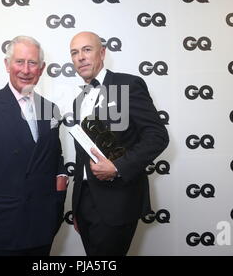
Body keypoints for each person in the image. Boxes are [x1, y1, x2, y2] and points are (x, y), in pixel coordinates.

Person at [0, 36, 68, 256]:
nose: (26, 70)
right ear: (7, 65)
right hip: (1, 225)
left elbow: (54, 157)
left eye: (33, 63)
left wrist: (59, 190)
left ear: (42, 68)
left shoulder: (51, 109)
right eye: (19, 62)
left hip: (42, 223)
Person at [69, 31, 169, 256]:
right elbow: (82, 154)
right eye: (74, 52)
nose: (80, 57)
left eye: (87, 49)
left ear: (102, 52)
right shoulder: (79, 100)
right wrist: (77, 206)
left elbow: (157, 136)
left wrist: (117, 167)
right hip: (85, 202)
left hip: (118, 201)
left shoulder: (129, 84)